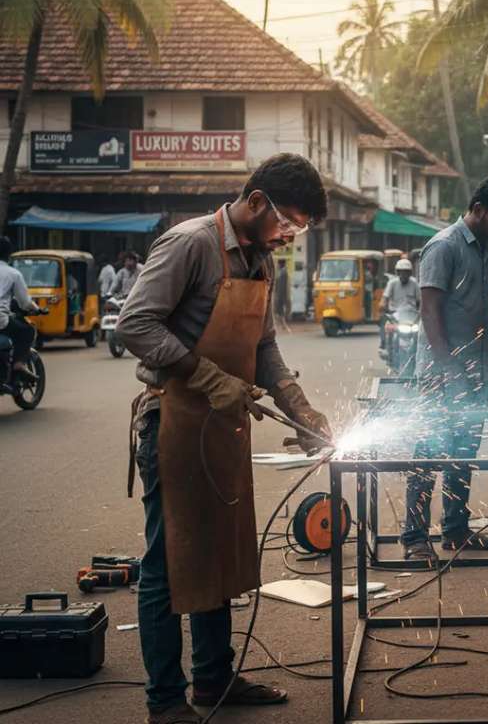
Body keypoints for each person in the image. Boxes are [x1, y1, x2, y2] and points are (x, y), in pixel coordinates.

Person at [116, 153, 333, 724]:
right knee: (168, 563)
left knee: (216, 556)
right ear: (257, 201)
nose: (289, 236)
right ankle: (165, 700)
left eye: (299, 229)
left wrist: (301, 408)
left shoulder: (261, 261)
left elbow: (263, 350)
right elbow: (134, 325)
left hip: (223, 427)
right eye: (288, 222)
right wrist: (210, 378)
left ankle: (214, 680)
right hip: (174, 424)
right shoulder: (189, 244)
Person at [402, 176, 488, 564]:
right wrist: (449, 370)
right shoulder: (443, 247)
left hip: (474, 374)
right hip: (440, 377)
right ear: (477, 209)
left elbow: (483, 315)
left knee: (463, 452)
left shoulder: (487, 252)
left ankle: (455, 531)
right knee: (427, 454)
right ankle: (414, 538)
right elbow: (430, 312)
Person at [0, 237, 41, 376]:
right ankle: (18, 363)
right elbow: (25, 302)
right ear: (9, 254)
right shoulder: (13, 273)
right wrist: (36, 309)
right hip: (1, 320)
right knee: (27, 330)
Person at [380, 258, 419, 348]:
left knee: (421, 330)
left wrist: (422, 311)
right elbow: (385, 298)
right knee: (384, 323)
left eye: (406, 272)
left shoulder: (414, 283)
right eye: (401, 272)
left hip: (411, 315)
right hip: (395, 315)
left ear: (410, 273)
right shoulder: (392, 283)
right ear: (397, 273)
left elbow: (420, 300)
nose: (403, 275)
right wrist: (382, 304)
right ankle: (383, 344)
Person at [273, 259, 292, 332]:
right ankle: (283, 326)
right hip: (281, 295)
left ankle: (284, 326)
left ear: (280, 264)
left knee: (279, 310)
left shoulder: (283, 273)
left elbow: (282, 286)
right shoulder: (282, 272)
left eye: (278, 264)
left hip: (281, 295)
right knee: (279, 311)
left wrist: (278, 296)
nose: (277, 265)